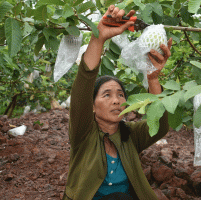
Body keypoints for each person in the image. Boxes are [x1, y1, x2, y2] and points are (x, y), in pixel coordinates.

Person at [62, 5, 172, 200]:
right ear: (92, 106)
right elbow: (84, 83)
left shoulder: (130, 135)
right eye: (106, 95)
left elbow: (161, 126)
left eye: (121, 95)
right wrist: (99, 38)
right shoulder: (83, 133)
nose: (116, 101)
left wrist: (153, 79)